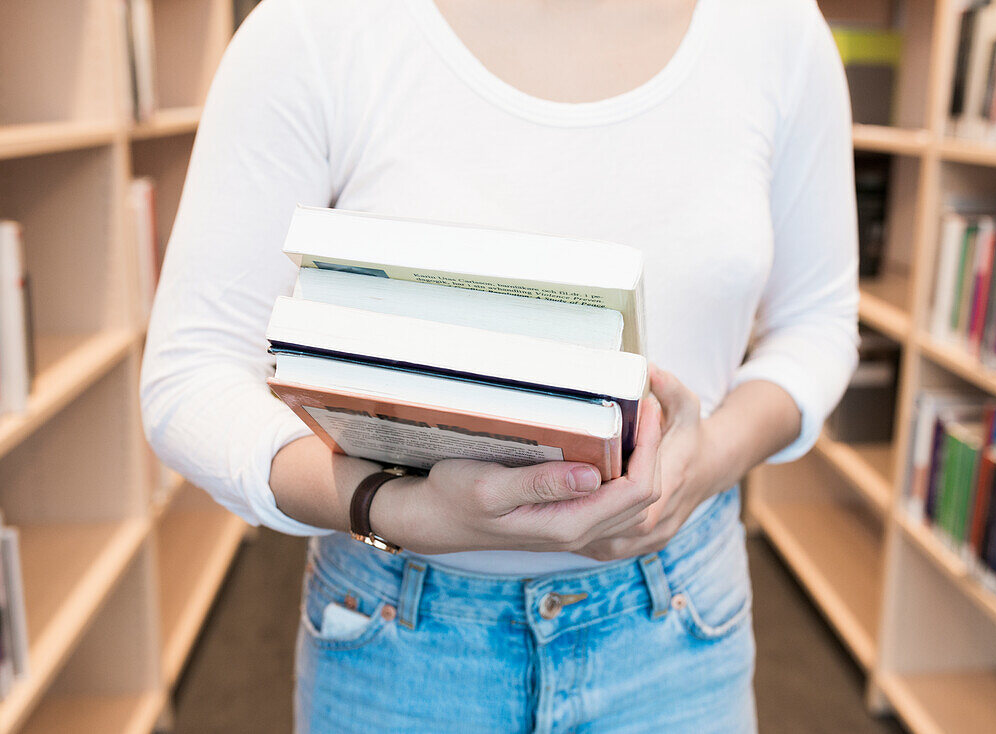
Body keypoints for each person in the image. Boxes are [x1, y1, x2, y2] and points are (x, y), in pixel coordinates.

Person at [141, 0, 859, 731]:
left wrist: (707, 461)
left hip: (674, 625)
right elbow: (190, 373)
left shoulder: (776, 30)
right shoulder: (316, 28)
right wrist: (388, 507)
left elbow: (818, 323)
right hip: (399, 630)